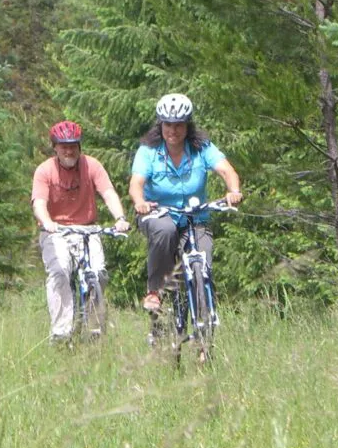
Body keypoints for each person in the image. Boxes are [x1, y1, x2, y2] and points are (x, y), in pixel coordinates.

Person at [128, 93, 243, 312]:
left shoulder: (202, 148)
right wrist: (140, 201)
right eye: (168, 125)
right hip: (158, 214)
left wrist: (233, 191)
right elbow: (136, 183)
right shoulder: (148, 152)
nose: (173, 130)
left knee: (203, 266)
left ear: (187, 125)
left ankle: (204, 330)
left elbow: (227, 170)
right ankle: (155, 292)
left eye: (179, 125)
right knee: (165, 229)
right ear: (160, 125)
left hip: (195, 216)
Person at [31, 120, 132, 342]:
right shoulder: (45, 170)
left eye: (73, 146)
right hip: (56, 231)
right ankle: (61, 332)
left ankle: (94, 329)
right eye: (64, 146)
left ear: (79, 147)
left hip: (87, 228)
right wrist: (47, 222)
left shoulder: (92, 165)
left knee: (97, 273)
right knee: (59, 271)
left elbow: (108, 193)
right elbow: (39, 203)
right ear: (55, 147)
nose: (69, 151)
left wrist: (120, 218)